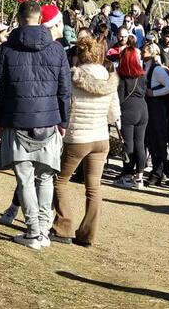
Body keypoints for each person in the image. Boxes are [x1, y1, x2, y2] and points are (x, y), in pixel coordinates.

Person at [0, 1, 70, 251]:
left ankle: (34, 230)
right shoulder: (57, 51)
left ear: (20, 19)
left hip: (16, 119)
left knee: (25, 179)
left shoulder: (5, 51)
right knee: (45, 177)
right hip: (48, 120)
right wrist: (64, 119)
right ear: (39, 19)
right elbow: (64, 90)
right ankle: (42, 229)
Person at [51, 37, 120, 246]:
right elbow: (114, 113)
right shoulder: (110, 80)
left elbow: (64, 106)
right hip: (100, 137)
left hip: (77, 137)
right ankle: (88, 234)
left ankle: (63, 226)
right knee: (93, 187)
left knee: (60, 180)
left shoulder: (72, 77)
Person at [142, 42, 169, 187]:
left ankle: (157, 173)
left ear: (152, 53)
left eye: (144, 51)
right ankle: (165, 169)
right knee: (152, 140)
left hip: (158, 108)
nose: (141, 52)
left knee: (158, 140)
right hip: (150, 107)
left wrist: (154, 93)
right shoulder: (146, 68)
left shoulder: (157, 70)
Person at [114, 41, 149, 189]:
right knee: (140, 144)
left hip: (128, 111)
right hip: (143, 109)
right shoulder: (142, 75)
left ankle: (127, 176)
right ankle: (139, 178)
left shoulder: (122, 76)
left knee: (128, 144)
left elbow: (120, 99)